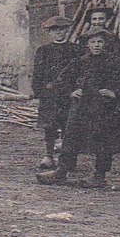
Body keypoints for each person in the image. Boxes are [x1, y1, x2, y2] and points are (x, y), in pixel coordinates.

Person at [39, 27, 120, 189]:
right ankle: (61, 172)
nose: (97, 45)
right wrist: (71, 91)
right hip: (82, 108)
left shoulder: (114, 62)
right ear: (87, 44)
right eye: (93, 42)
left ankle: (99, 176)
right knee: (71, 137)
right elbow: (62, 80)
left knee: (105, 143)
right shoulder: (81, 61)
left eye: (100, 42)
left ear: (106, 44)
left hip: (106, 109)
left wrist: (115, 92)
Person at [31, 15, 81, 171]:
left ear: (67, 30)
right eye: (55, 30)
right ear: (49, 33)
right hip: (50, 94)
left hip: (69, 94)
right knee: (49, 125)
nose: (59, 33)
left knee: (69, 125)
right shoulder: (44, 50)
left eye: (62, 29)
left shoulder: (76, 50)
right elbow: (38, 73)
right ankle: (48, 155)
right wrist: (39, 91)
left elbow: (80, 72)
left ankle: (65, 157)